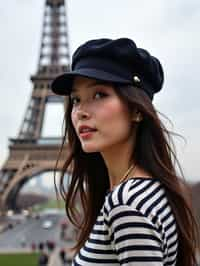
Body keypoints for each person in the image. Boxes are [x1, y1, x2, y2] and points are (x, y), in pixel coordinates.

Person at [51, 38, 200, 265]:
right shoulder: (148, 190)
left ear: (136, 111)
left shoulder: (126, 204)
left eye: (99, 94)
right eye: (76, 99)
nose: (80, 111)